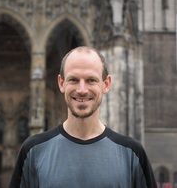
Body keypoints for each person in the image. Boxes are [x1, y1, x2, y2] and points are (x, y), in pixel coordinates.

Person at [9, 46, 156, 188]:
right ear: (61, 83)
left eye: (91, 80)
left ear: (106, 84)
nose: (82, 90)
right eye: (73, 80)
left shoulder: (132, 154)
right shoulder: (33, 151)